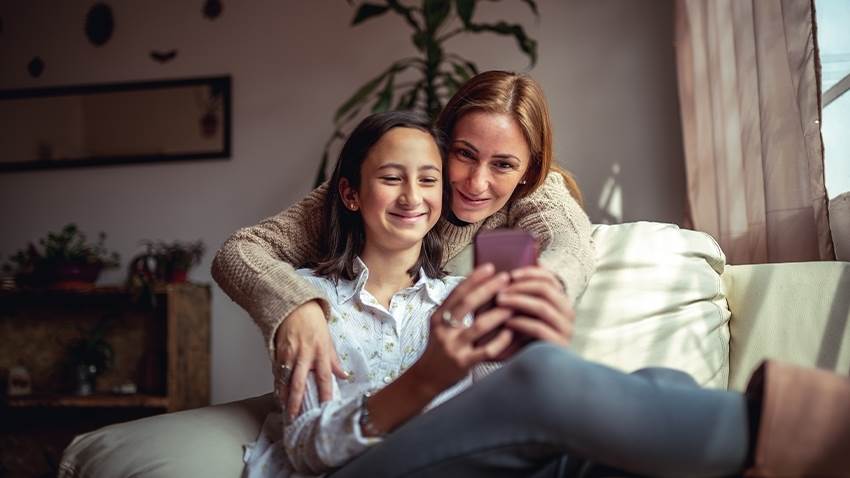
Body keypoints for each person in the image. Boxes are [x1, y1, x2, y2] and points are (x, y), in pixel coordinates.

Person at [242, 110, 751, 478]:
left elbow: (512, 405)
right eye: (392, 178)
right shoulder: (306, 302)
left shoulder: (459, 298)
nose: (412, 196)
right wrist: (426, 380)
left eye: (428, 180)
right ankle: (783, 429)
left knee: (661, 385)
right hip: (360, 469)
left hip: (471, 463)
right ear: (351, 194)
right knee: (551, 382)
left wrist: (536, 340)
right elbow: (309, 449)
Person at [212, 70, 594, 418]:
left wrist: (544, 291)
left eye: (503, 165)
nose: (477, 183)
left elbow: (570, 245)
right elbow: (241, 250)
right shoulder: (381, 189)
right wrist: (296, 306)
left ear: (528, 170)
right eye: (464, 154)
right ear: (440, 145)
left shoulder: (534, 192)